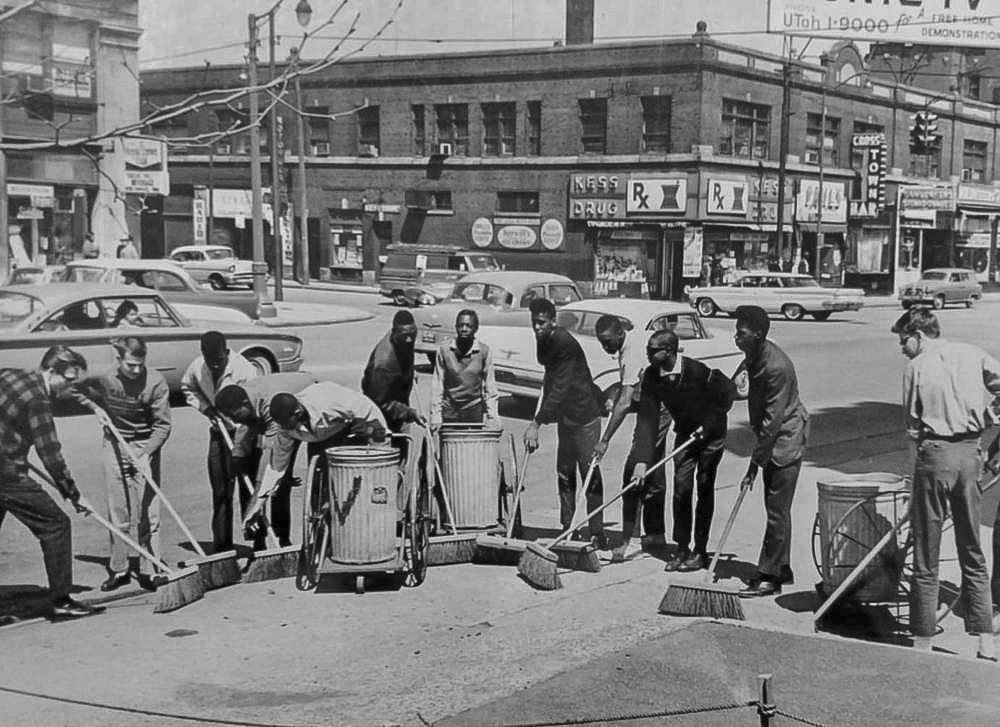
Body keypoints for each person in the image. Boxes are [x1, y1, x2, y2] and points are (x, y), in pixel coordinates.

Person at [892, 308, 998, 659]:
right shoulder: (973, 353)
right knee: (972, 548)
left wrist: (912, 482)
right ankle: (985, 639)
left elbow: (911, 425)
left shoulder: (916, 368)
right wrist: (990, 415)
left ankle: (922, 640)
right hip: (970, 456)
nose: (902, 348)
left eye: (903, 340)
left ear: (919, 335)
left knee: (926, 552)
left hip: (934, 457)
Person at [0, 347, 103, 618]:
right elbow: (50, 453)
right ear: (50, 371)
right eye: (67, 381)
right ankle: (61, 599)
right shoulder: (38, 399)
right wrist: (73, 494)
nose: (69, 388)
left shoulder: (12, 374)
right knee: (56, 525)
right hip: (7, 475)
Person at [632, 329, 737, 572]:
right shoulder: (651, 375)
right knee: (681, 489)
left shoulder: (697, 371)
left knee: (704, 487)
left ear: (668, 351)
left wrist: (707, 426)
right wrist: (642, 461)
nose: (647, 354)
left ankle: (700, 551)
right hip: (685, 434)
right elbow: (647, 419)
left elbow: (724, 399)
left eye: (652, 350)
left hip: (711, 435)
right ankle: (681, 548)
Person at [73, 336, 172, 592]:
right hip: (114, 443)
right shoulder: (103, 375)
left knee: (150, 512)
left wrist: (146, 454)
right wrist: (94, 407)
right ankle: (120, 569)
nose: (137, 370)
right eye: (131, 365)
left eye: (141, 364)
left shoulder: (156, 382)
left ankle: (151, 567)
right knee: (119, 511)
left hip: (145, 444)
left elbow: (163, 426)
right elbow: (72, 386)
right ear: (118, 359)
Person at [732, 305, 809, 599]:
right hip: (774, 434)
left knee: (776, 511)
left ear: (758, 334)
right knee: (777, 509)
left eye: (741, 333)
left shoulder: (776, 367)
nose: (736, 338)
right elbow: (747, 368)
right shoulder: (756, 352)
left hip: (784, 439)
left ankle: (769, 576)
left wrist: (754, 464)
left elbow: (771, 423)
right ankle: (782, 567)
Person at [522, 298, 607, 548]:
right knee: (565, 472)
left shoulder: (564, 342)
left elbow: (560, 389)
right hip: (566, 417)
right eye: (533, 322)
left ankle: (597, 530)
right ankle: (568, 528)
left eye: (541, 323)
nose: (536, 327)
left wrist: (536, 423)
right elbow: (549, 376)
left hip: (584, 415)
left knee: (588, 471)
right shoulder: (544, 339)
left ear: (552, 321)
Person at [248, 383, 389, 525]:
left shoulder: (330, 402)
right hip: (320, 438)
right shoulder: (284, 427)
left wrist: (381, 442)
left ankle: (352, 523)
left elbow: (368, 411)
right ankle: (322, 532)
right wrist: (259, 504)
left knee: (349, 485)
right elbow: (277, 466)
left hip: (350, 429)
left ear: (298, 413)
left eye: (285, 423)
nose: (283, 427)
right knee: (319, 488)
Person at [591, 314, 666, 561]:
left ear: (620, 333)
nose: (605, 347)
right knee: (654, 470)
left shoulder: (632, 352)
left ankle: (631, 540)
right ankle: (655, 534)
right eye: (601, 343)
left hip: (659, 408)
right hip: (654, 401)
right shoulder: (629, 345)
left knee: (634, 471)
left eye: (608, 341)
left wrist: (605, 439)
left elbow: (624, 403)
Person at [213, 372, 319, 547]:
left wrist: (259, 490)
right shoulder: (243, 398)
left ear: (245, 404)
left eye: (233, 416)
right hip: (276, 405)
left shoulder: (270, 403)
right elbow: (245, 424)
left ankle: (282, 540)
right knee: (254, 474)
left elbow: (272, 455)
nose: (232, 420)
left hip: (300, 409)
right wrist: (238, 454)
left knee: (277, 479)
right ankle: (258, 541)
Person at [180, 331, 258, 552]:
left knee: (249, 488)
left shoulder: (245, 370)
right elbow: (188, 388)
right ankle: (222, 546)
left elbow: (251, 411)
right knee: (221, 490)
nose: (214, 365)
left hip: (247, 432)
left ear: (226, 352)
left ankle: (257, 541)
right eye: (209, 360)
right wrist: (206, 408)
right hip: (219, 432)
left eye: (219, 360)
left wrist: (240, 450)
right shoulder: (197, 367)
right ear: (203, 354)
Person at [429, 309, 500, 430]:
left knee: (471, 447)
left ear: (476, 328)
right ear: (455, 327)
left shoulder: (484, 351)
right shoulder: (444, 350)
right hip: (450, 408)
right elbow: (438, 384)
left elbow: (490, 386)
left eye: (468, 325)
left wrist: (492, 417)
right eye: (460, 325)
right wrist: (435, 415)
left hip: (473, 410)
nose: (464, 329)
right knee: (449, 447)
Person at [361, 310, 424, 433]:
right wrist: (408, 413)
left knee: (403, 443)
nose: (409, 340)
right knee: (389, 449)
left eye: (412, 334)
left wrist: (407, 375)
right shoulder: (384, 364)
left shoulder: (403, 340)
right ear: (395, 332)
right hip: (380, 418)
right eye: (405, 335)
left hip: (398, 403)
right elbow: (381, 402)